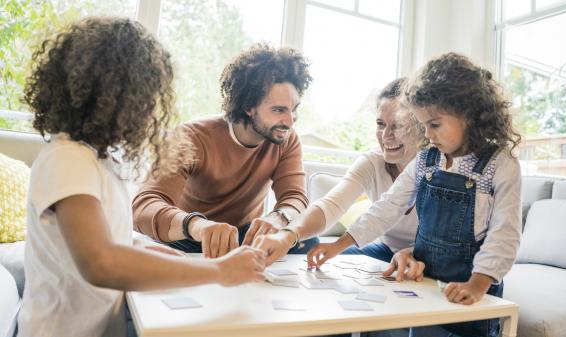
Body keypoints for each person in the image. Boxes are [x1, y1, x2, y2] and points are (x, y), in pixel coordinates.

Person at [18, 18, 266, 337]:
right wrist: (219, 270)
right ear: (119, 95)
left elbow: (115, 233)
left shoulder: (102, 158)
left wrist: (161, 253)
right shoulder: (67, 158)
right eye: (148, 95)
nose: (150, 108)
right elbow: (101, 261)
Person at [307, 53, 522, 337]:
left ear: (468, 114)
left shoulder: (501, 164)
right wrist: (340, 244)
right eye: (422, 126)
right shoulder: (426, 159)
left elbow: (504, 234)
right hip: (425, 282)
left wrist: (478, 283)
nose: (427, 134)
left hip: (474, 288)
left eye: (434, 124)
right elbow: (389, 206)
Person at [132, 43, 318, 258]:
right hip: (190, 235)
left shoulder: (286, 139)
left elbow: (295, 198)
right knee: (145, 246)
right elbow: (144, 205)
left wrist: (278, 218)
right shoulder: (191, 137)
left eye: (294, 110)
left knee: (307, 239)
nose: (290, 121)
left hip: (242, 236)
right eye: (278, 110)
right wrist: (196, 226)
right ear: (249, 107)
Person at [254, 78, 426, 266]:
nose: (385, 136)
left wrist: (411, 252)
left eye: (397, 125)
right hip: (386, 250)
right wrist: (288, 235)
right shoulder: (372, 162)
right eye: (380, 124)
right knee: (326, 263)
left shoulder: (438, 165)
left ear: (420, 126)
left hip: (430, 255)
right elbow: (331, 205)